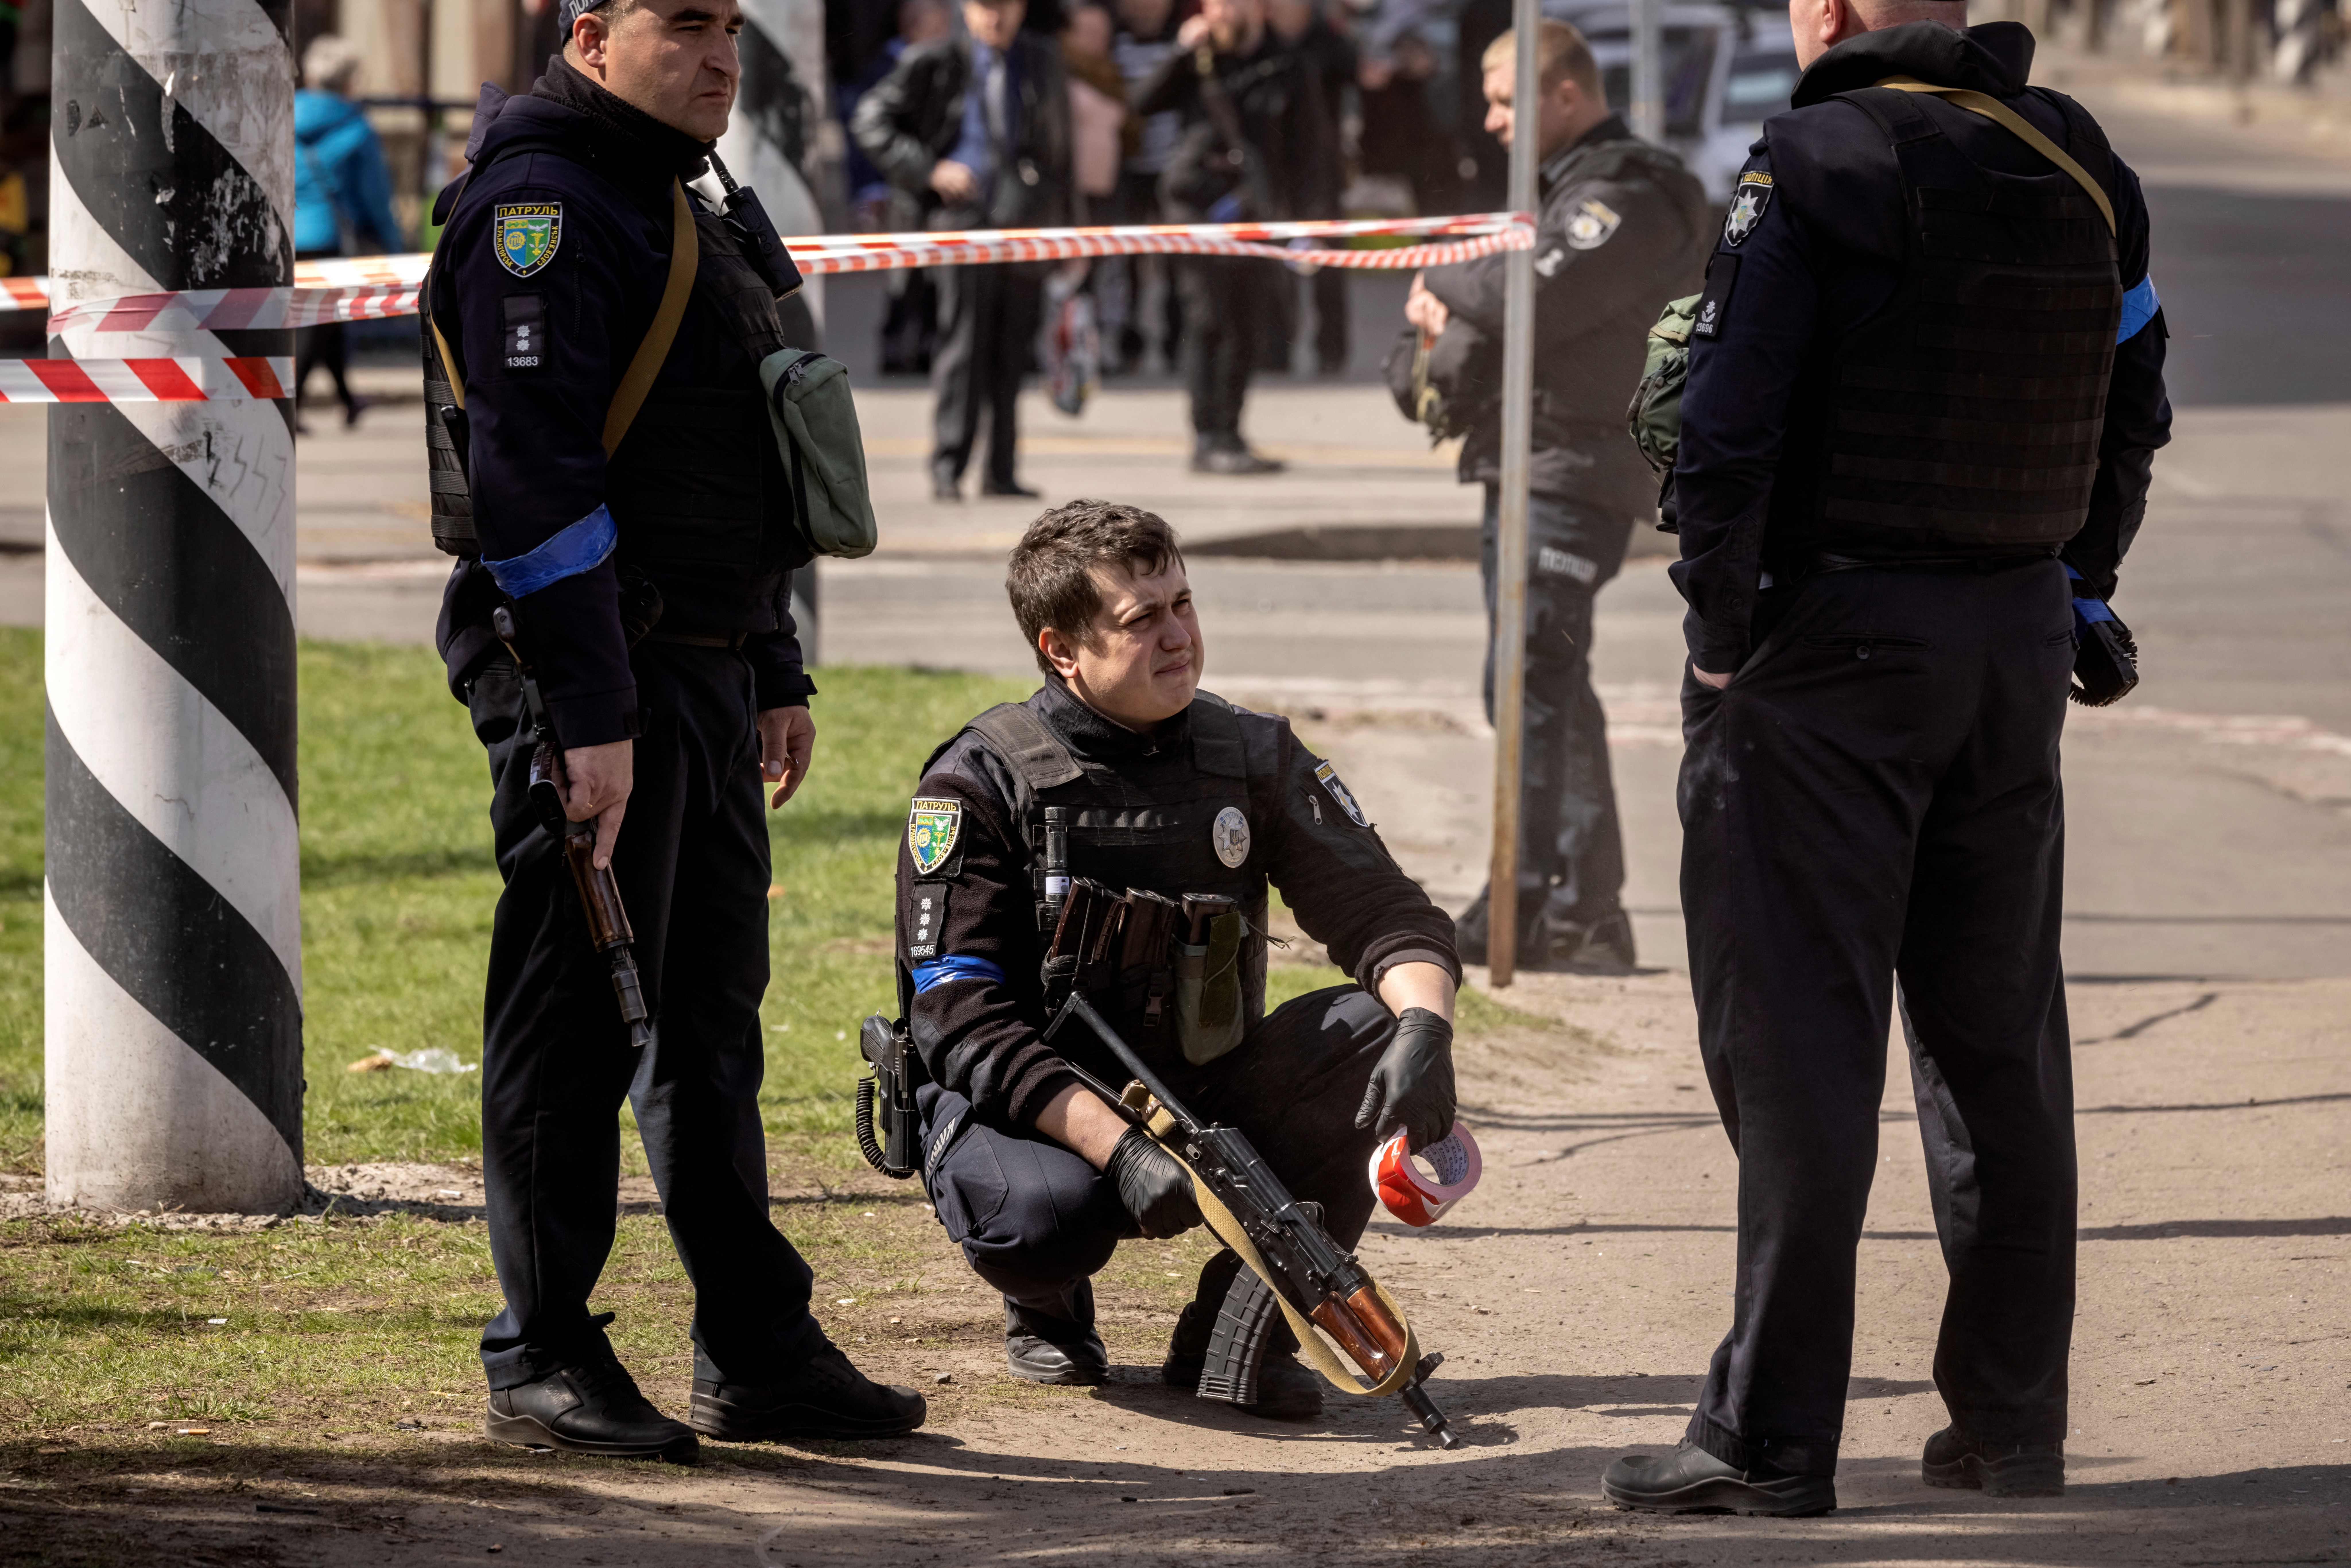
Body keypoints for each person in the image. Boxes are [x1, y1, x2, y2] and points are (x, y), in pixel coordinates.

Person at [1601, 1, 2170, 1516]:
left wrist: (1722, 636)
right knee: (1997, 1048)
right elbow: (2137, 399)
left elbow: (1724, 427)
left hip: (1827, 656)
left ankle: (1769, 1440)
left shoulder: (1811, 161)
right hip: (2007, 647)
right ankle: (2012, 1424)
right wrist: (2082, 587)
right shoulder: (2083, 163)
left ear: (1832, 18)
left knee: (1799, 1050)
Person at [427, 0, 927, 1463]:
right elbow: (530, 475)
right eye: (687, 26)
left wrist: (772, 657)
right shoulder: (542, 210)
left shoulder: (676, 194)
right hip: (597, 678)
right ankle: (541, 1348)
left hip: (703, 667)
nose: (723, 57)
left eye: (732, 30)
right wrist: (589, 714)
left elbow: (736, 445)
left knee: (711, 1026)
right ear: (591, 37)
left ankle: (756, 1347)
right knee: (576, 1017)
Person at [892, 500, 1462, 1418]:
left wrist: (1427, 1024)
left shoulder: (1253, 757)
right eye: (1141, 619)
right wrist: (1113, 1149)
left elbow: (1384, 910)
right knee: (1046, 1224)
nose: (1178, 635)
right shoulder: (979, 780)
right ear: (1060, 650)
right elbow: (956, 1016)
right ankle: (1045, 1306)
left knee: (1374, 1032)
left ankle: (1235, 1334)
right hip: (1036, 1108)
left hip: (1202, 1083)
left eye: (1184, 603)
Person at [1404, 20, 1709, 973]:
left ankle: (1535, 900)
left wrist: (1441, 277)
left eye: (1506, 103)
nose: (1492, 124)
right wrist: (1453, 313)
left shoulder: (1628, 195)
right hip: (1526, 459)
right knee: (1541, 681)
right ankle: (1573, 910)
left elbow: (1526, 296)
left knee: (1533, 674)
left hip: (1576, 469)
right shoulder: (1555, 192)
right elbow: (1477, 325)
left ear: (1565, 95)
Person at [852, 0, 1076, 501]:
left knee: (1013, 350)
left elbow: (1063, 150)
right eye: (985, 8)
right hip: (962, 223)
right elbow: (871, 121)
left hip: (1024, 223)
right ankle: (948, 466)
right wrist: (929, 170)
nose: (996, 18)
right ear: (967, 11)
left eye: (1006, 7)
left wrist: (1072, 232)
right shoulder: (937, 60)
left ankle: (1002, 471)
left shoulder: (1041, 58)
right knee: (963, 347)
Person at [1136, 0, 1339, 473]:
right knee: (1209, 317)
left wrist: (1313, 224)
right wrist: (1180, 54)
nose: (1221, 12)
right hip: (1194, 205)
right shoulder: (1198, 60)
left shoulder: (1288, 66)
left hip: (1254, 211)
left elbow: (1312, 151)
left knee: (1246, 323)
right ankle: (1207, 434)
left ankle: (1230, 430)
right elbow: (1142, 104)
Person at [292, 35, 403, 431]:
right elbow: (375, 196)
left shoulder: (280, 114)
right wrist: (392, 245)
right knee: (318, 322)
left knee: (324, 321)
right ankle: (294, 403)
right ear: (349, 79)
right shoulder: (356, 127)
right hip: (327, 236)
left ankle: (346, 399)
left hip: (286, 233)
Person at [1265, 0, 1355, 376]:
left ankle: (1331, 351)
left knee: (1327, 265)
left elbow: (1354, 71)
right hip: (1273, 169)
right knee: (1272, 265)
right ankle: (1274, 350)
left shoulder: (1328, 40)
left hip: (1321, 166)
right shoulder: (1263, 44)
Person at [1105, 0, 1185, 373]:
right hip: (1129, 170)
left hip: (1170, 170)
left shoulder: (1181, 44)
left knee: (1174, 261)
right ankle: (1129, 343)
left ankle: (1176, 342)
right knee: (1129, 262)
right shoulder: (1114, 44)